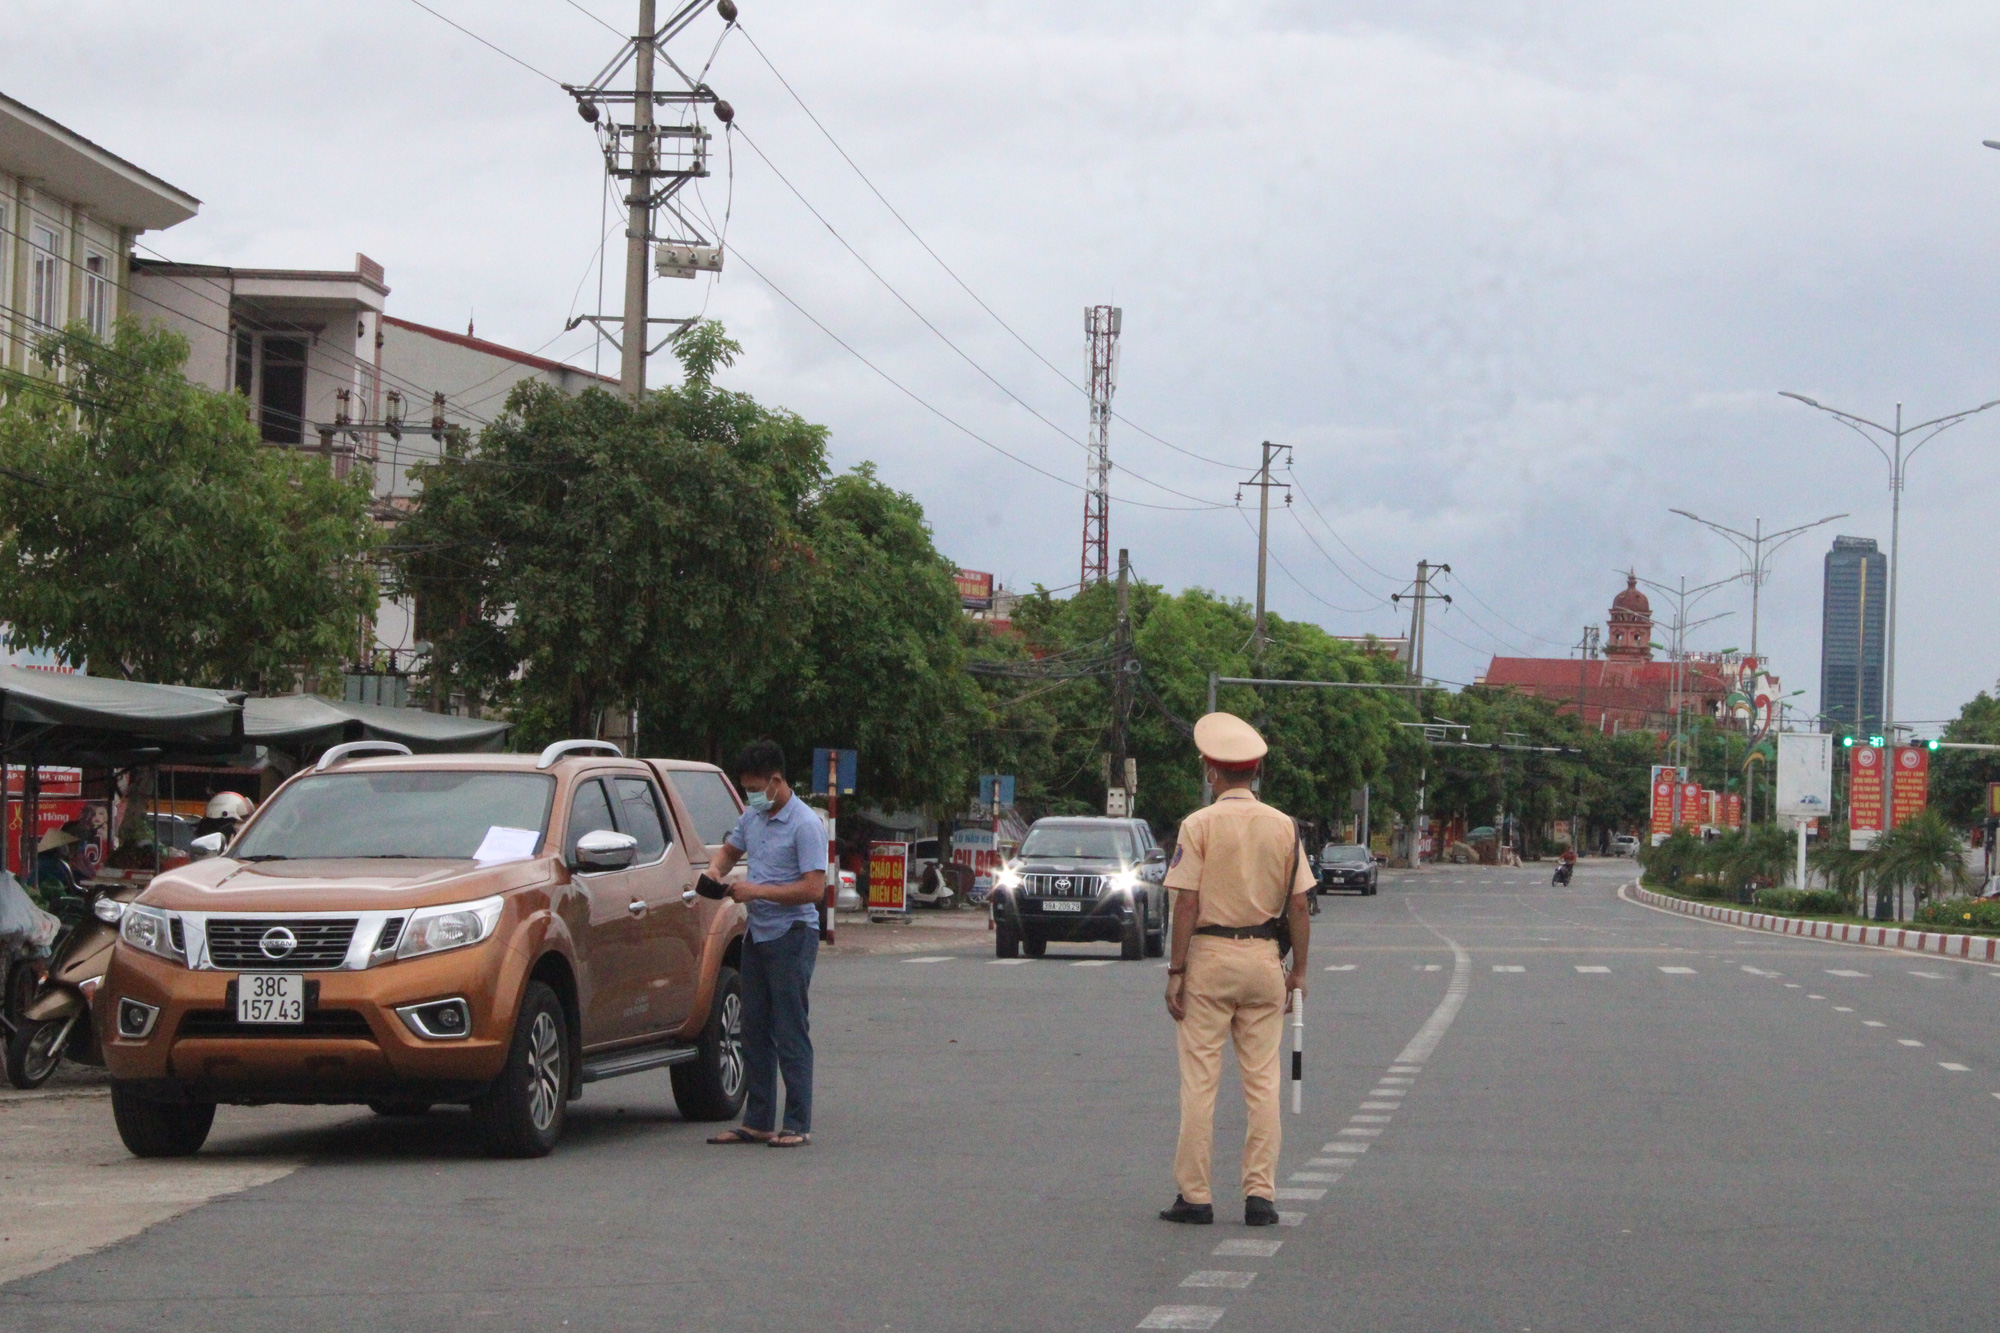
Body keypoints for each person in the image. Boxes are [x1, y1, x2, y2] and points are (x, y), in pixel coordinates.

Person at [1160, 712, 1314, 1227]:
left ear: (1211, 770)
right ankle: (1260, 1196)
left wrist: (1175, 971)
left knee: (1201, 1082)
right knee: (1262, 1080)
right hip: (1265, 963)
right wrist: (1299, 974)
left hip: (1209, 959)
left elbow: (1186, 904)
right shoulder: (1284, 826)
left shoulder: (1198, 825)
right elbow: (1298, 908)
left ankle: (1196, 1197)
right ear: (1255, 771)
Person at [703, 740, 826, 1148]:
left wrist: (756, 891)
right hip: (757, 934)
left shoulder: (805, 824)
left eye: (755, 788)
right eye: (745, 788)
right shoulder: (752, 817)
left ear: (776, 781)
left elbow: (813, 889)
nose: (750, 795)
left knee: (789, 1028)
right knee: (752, 1029)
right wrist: (713, 873)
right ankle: (757, 1120)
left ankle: (797, 1123)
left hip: (792, 934)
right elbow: (728, 851)